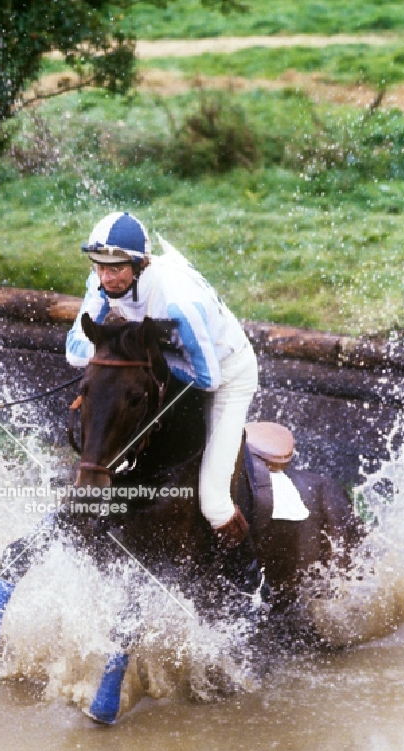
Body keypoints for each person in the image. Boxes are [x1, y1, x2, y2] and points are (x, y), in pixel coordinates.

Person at [67, 210, 267, 600]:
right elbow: (77, 351)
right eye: (100, 267)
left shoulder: (178, 303)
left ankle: (252, 592)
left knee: (214, 501)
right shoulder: (101, 283)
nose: (107, 279)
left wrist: (150, 350)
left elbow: (208, 378)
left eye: (117, 269)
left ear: (140, 264)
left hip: (228, 374)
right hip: (175, 367)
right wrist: (135, 352)